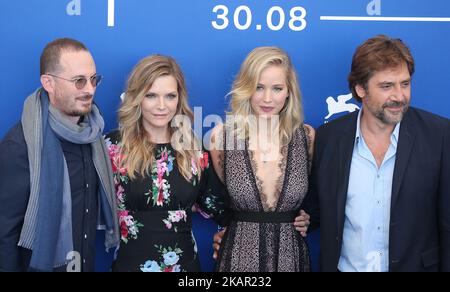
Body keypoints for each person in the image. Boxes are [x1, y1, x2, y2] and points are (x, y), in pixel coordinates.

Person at [302, 35, 450, 272]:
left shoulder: (440, 135)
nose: (399, 96)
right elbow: (315, 211)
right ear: (361, 89)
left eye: (405, 83)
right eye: (386, 86)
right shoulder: (329, 138)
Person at [0, 38, 120, 272]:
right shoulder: (20, 145)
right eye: (79, 81)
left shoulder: (93, 136)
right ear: (49, 83)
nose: (90, 89)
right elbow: (4, 233)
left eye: (94, 79)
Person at [106, 55, 228, 272]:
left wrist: (228, 231)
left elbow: (219, 206)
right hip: (129, 266)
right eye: (151, 95)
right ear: (137, 97)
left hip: (185, 267)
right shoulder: (113, 147)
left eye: (170, 96)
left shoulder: (192, 150)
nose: (161, 106)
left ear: (179, 99)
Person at [209, 46, 314, 272]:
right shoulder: (222, 137)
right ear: (246, 88)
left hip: (291, 260)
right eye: (259, 87)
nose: (267, 98)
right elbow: (216, 198)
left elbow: (318, 198)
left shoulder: (306, 137)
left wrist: (309, 218)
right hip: (239, 260)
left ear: (289, 92)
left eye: (277, 88)